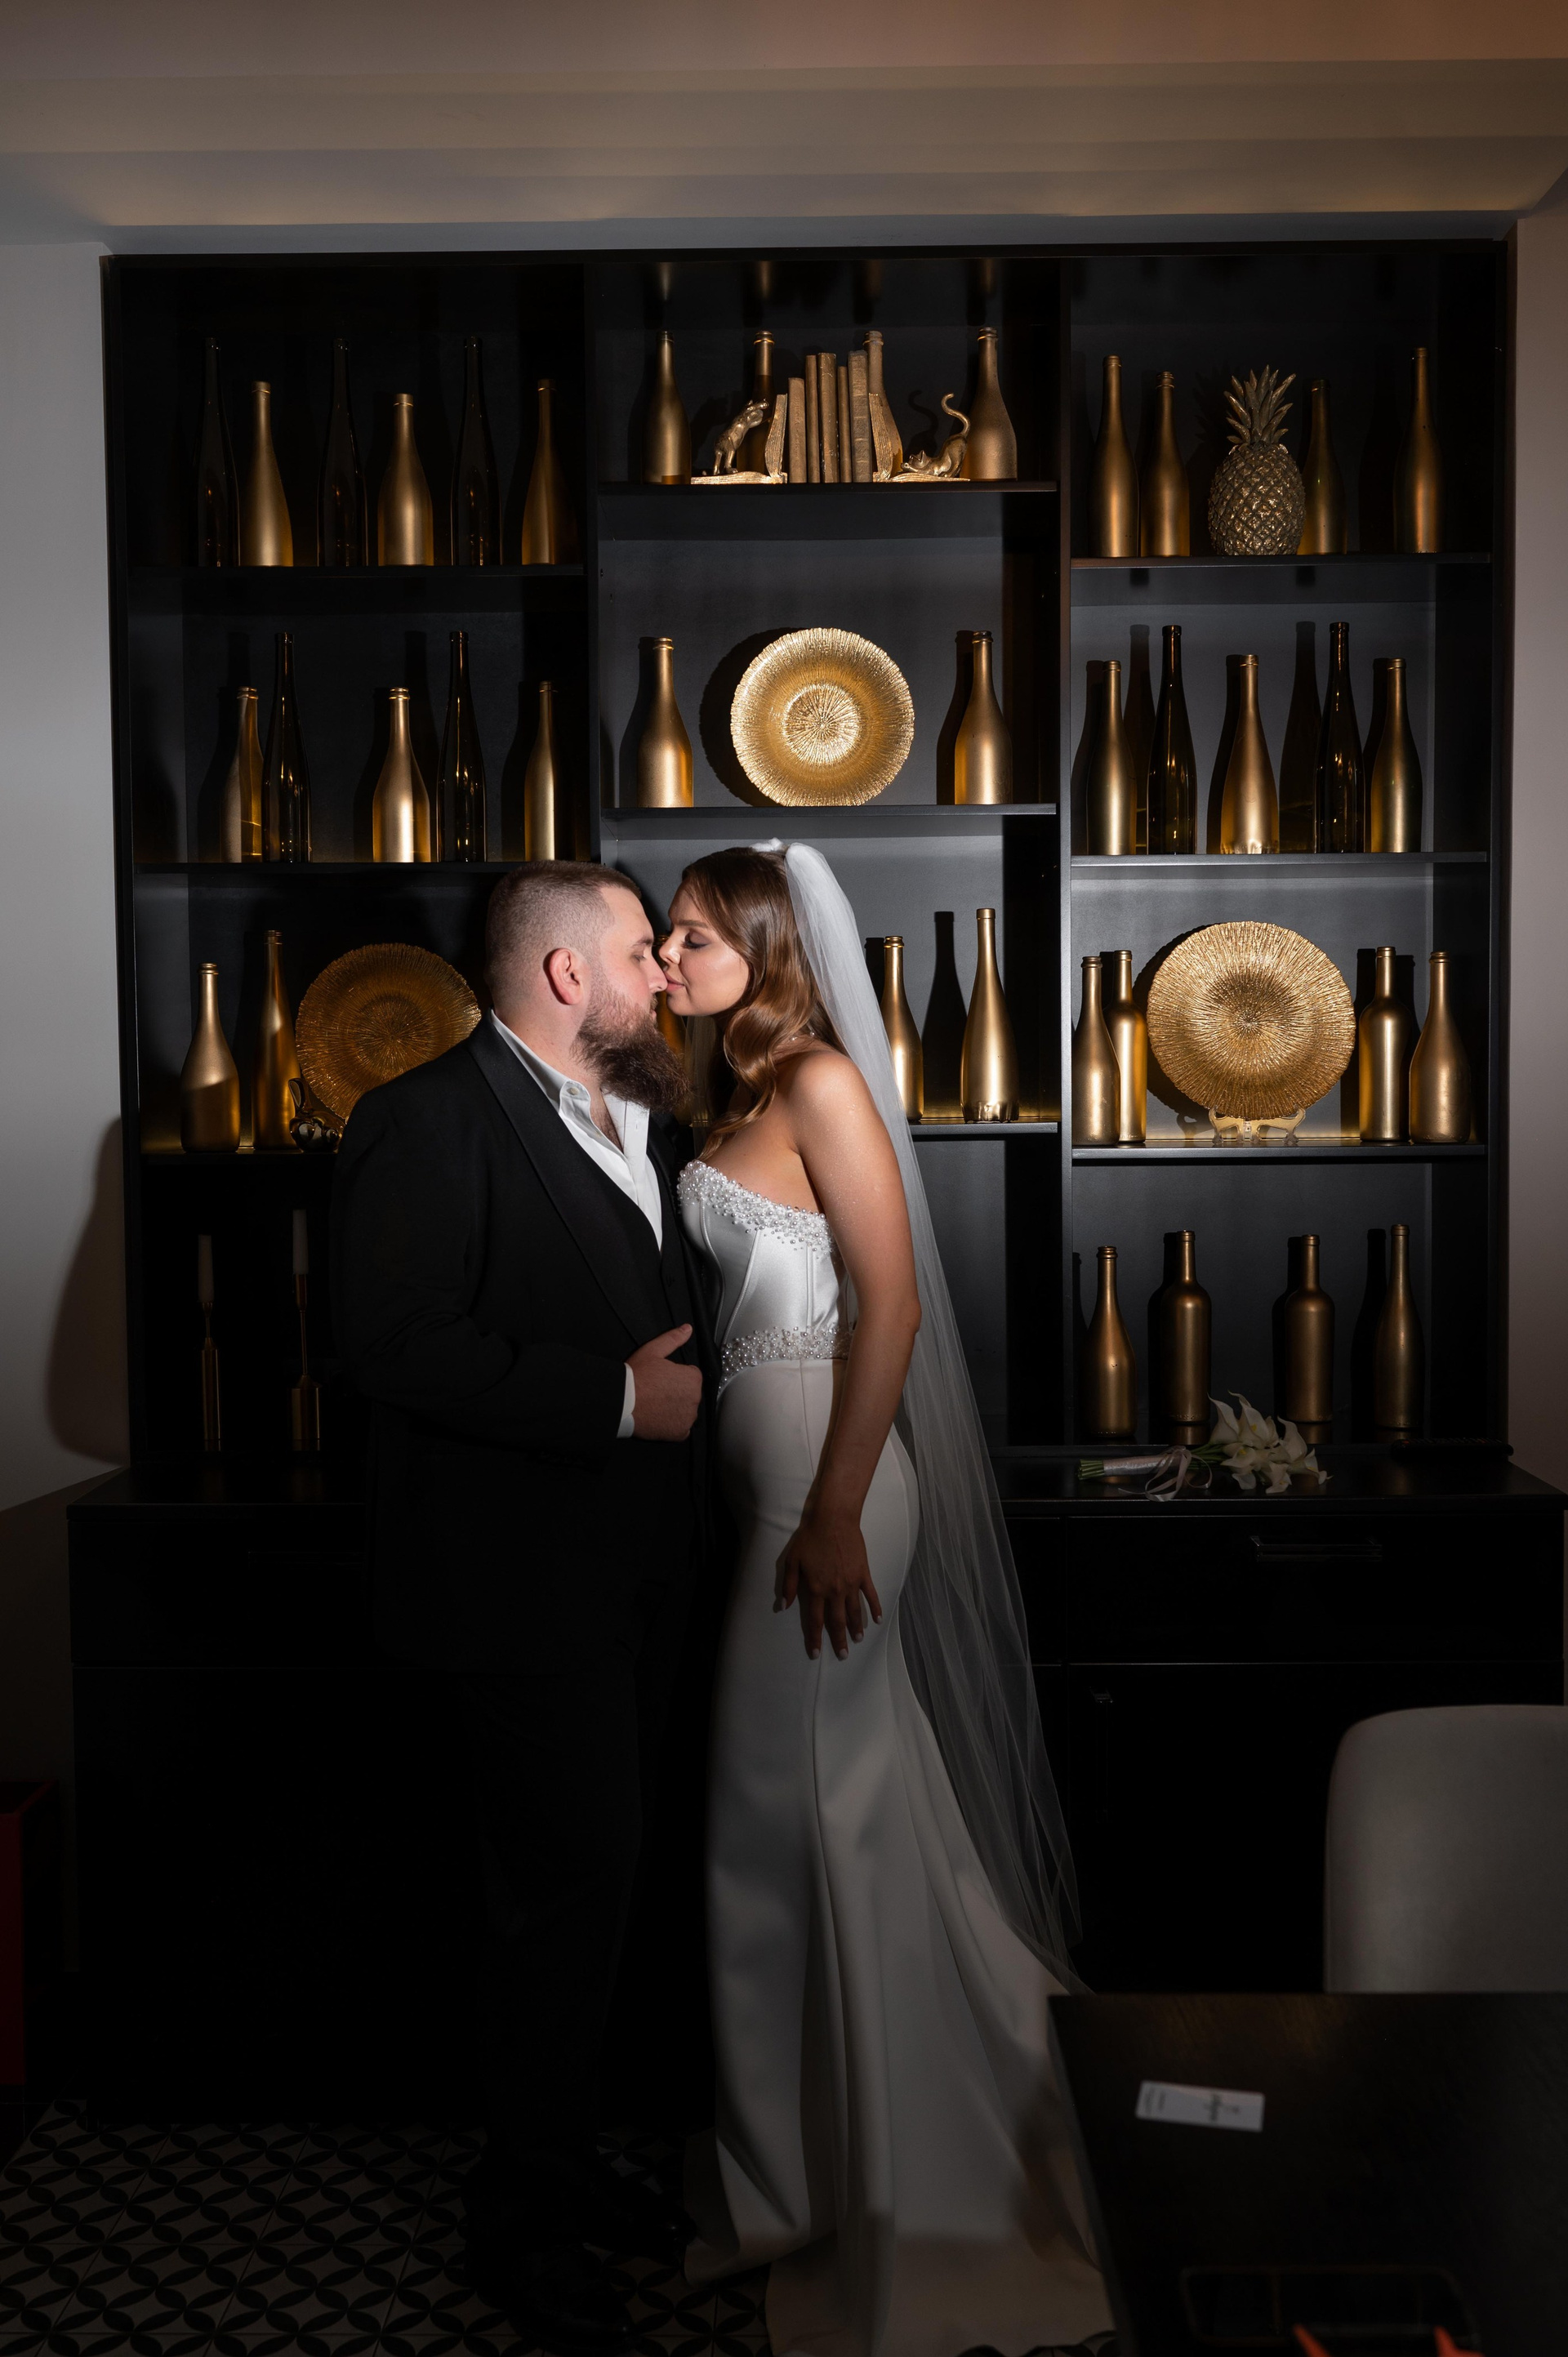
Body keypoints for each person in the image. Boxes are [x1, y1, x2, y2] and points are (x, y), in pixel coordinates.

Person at [660, 844, 1112, 2357]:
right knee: (817, 1825)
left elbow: (893, 1301)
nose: (671, 957)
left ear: (767, 944)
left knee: (797, 1830)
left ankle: (872, 2188)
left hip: (824, 1495)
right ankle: (813, 2168)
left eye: (695, 936)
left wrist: (840, 1508)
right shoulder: (732, 1093)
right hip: (775, 1489)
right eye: (668, 936)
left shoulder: (819, 1080)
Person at [332, 862, 708, 2355]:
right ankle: (523, 2221)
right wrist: (612, 1398)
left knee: (606, 1893)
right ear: (565, 974)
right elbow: (388, 1341)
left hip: (644, 1582)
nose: (664, 972)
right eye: (641, 949)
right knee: (554, 1903)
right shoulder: (422, 1117)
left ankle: (564, 2163)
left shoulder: (647, 1115)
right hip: (517, 1593)